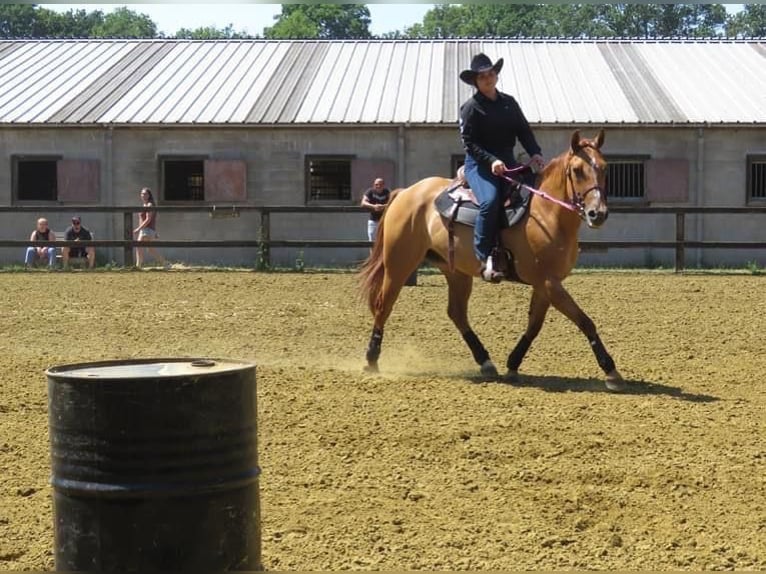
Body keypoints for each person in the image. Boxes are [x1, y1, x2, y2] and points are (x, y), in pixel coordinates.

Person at [458, 53, 546, 282]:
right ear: (475, 81)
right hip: (479, 165)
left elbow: (523, 130)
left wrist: (535, 152)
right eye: (483, 76)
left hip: (509, 162)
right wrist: (491, 161)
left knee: (535, 192)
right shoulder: (470, 107)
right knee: (490, 201)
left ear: (496, 75)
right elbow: (470, 143)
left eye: (491, 74)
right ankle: (485, 255)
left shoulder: (509, 102)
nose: (488, 79)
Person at [133, 187, 168, 268]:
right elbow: (142, 219)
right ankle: (165, 264)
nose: (143, 195)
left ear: (149, 195)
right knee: (149, 249)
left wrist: (138, 229)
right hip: (145, 229)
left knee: (140, 246)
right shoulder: (145, 205)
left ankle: (138, 265)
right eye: (142, 194)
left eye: (145, 194)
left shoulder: (149, 205)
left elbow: (148, 219)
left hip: (147, 230)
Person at [360, 177, 391, 242]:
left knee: (384, 241)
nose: (378, 186)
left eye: (380, 184)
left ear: (383, 185)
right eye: (376, 184)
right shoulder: (370, 191)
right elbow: (363, 203)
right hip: (373, 221)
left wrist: (383, 206)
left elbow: (393, 202)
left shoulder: (387, 192)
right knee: (372, 242)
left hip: (384, 221)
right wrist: (374, 206)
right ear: (374, 185)